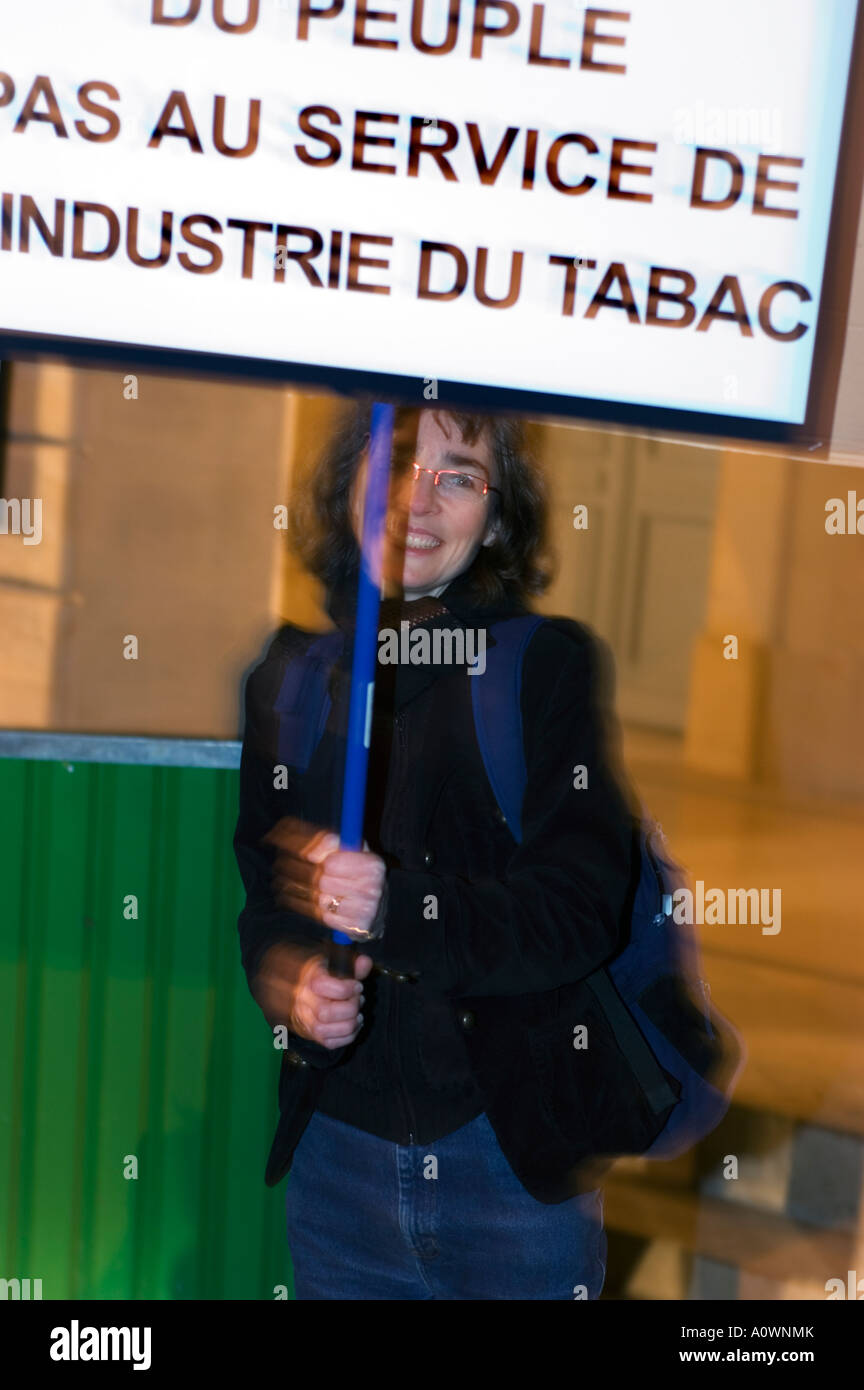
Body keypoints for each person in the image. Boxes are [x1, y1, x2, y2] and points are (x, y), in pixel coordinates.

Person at [233, 401, 646, 1300]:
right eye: (392, 466)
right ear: (348, 488)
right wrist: (296, 982)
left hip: (508, 1168)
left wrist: (399, 909)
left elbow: (579, 913)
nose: (414, 503)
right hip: (337, 1167)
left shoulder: (543, 668)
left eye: (457, 477)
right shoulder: (293, 676)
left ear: (497, 518)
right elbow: (265, 906)